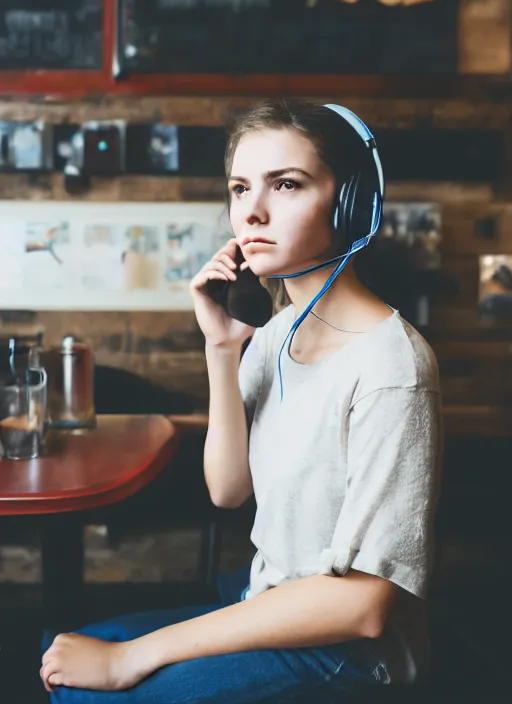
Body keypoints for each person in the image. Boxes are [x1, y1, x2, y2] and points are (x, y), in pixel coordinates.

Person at [40, 99, 442, 702]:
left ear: (351, 204)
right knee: (64, 656)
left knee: (94, 688)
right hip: (270, 609)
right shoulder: (278, 333)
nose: (251, 211)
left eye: (286, 184)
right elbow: (227, 490)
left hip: (351, 655)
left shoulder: (392, 368)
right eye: (239, 187)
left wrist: (134, 657)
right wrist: (222, 350)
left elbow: (363, 605)